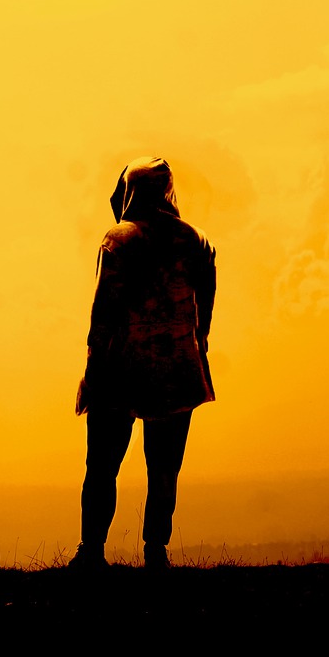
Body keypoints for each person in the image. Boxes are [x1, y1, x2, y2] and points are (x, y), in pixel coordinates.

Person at [70, 156, 216, 570]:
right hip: (178, 369)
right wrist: (196, 351)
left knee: (101, 466)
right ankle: (156, 551)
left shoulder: (119, 240)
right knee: (164, 469)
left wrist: (92, 373)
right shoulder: (197, 240)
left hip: (120, 370)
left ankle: (91, 552)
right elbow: (204, 312)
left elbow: (103, 313)